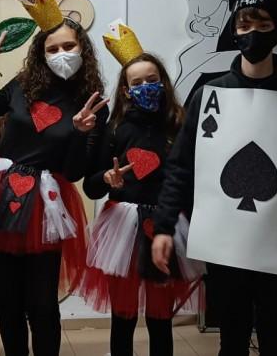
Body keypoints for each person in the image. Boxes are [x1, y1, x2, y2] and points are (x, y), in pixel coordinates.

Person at [152, 0, 277, 356]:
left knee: (276, 342)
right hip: (225, 245)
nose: (253, 33)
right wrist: (164, 226)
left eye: (263, 24)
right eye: (244, 25)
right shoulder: (207, 95)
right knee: (231, 342)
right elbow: (181, 167)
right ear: (233, 30)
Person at [0, 0, 108, 356]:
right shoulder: (22, 85)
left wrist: (81, 132)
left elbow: (74, 173)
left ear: (83, 50)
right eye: (53, 48)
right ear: (41, 53)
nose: (61, 53)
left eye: (69, 46)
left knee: (43, 304)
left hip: (46, 205)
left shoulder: (92, 103)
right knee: (8, 299)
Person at [80, 21, 205, 356]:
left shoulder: (179, 124)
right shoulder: (114, 128)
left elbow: (191, 179)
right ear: (125, 90)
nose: (146, 87)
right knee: (123, 318)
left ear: (163, 82)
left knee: (160, 319)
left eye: (152, 80)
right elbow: (90, 185)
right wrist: (107, 179)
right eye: (137, 83)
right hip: (122, 228)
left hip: (167, 225)